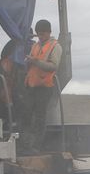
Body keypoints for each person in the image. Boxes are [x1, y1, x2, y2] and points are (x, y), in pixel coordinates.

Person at [22, 19, 62, 153]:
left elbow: (53, 66)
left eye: (42, 33)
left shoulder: (55, 46)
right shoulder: (35, 46)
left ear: (49, 32)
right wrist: (28, 61)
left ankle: (36, 146)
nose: (40, 36)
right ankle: (26, 143)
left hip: (44, 87)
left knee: (40, 116)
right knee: (26, 113)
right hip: (31, 85)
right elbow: (32, 62)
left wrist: (36, 61)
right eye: (38, 34)